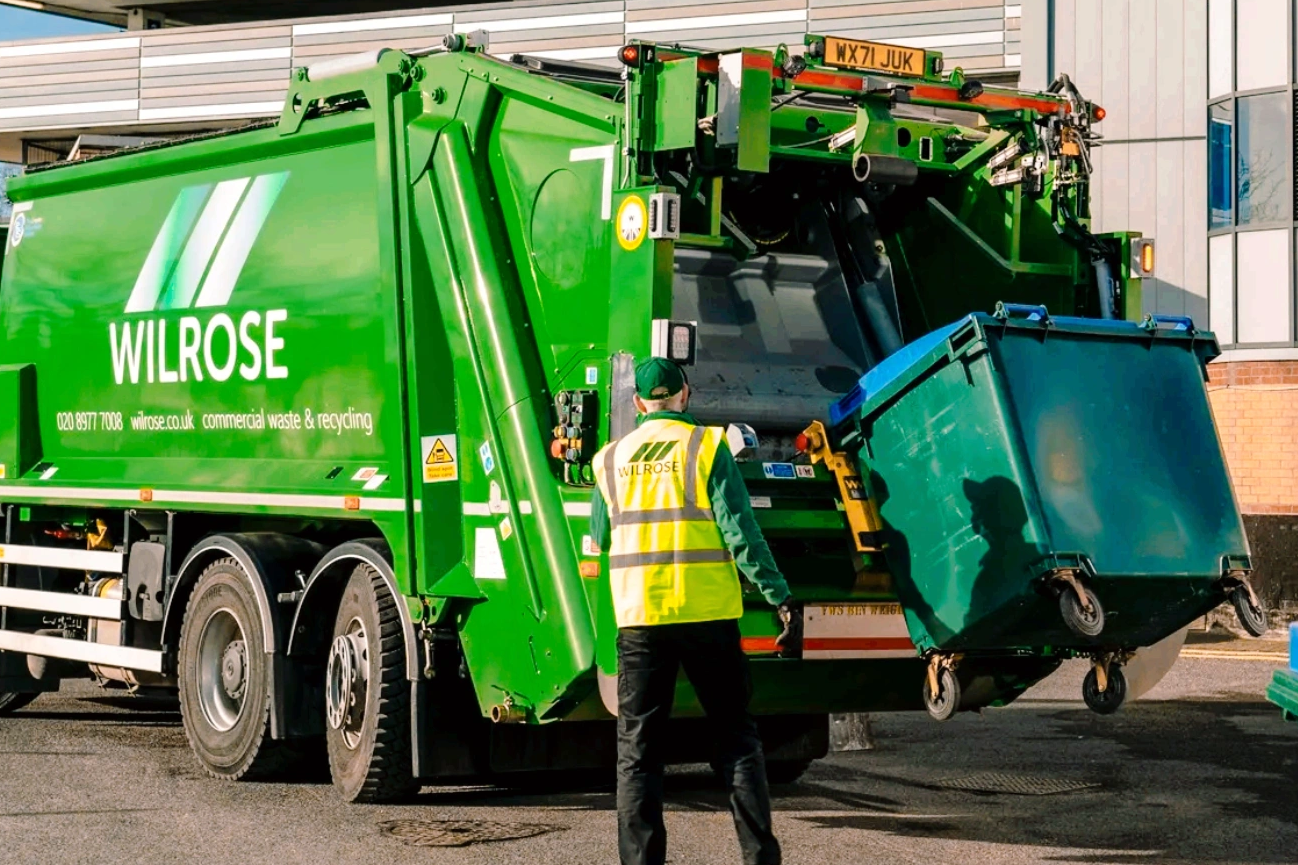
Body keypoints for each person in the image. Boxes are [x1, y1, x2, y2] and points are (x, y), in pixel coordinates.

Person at [590, 356, 801, 865]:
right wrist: (780, 597)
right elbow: (741, 534)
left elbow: (600, 537)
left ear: (639, 404)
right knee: (735, 738)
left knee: (638, 751)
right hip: (708, 617)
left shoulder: (609, 459)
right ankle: (758, 859)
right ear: (685, 396)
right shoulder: (708, 446)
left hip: (642, 620)